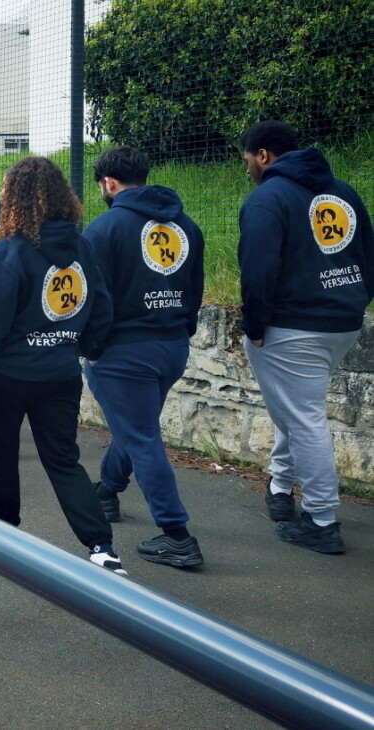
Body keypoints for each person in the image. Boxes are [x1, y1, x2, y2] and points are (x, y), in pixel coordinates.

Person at [0, 156, 124, 575]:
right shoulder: (81, 244)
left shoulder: (9, 250)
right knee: (63, 459)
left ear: (13, 197)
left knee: (1, 453)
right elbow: (100, 304)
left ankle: (3, 536)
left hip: (5, 373)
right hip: (60, 371)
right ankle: (101, 545)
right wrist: (86, 346)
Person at [238, 120, 373, 554]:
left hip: (292, 326)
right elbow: (368, 255)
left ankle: (321, 518)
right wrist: (353, 302)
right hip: (343, 322)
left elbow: (257, 272)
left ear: (263, 155)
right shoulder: (344, 192)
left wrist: (255, 327)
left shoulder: (267, 199)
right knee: (297, 406)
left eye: (246, 158)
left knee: (302, 416)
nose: (245, 168)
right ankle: (280, 490)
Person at [83, 146, 206, 567]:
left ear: (109, 183)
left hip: (123, 351)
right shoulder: (185, 225)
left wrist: (93, 351)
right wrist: (182, 331)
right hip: (171, 345)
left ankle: (177, 535)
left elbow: (95, 300)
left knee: (141, 436)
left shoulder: (103, 230)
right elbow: (195, 288)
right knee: (137, 426)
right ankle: (107, 493)